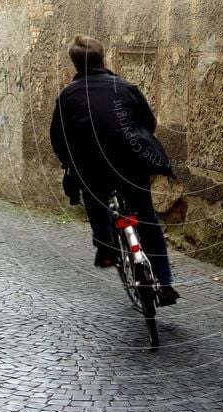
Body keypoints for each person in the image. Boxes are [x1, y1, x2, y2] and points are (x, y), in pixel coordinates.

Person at [50, 34, 179, 305]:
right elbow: (149, 123)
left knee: (95, 201)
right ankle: (165, 283)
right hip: (131, 164)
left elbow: (58, 139)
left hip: (92, 168)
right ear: (103, 58)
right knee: (147, 217)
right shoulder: (125, 87)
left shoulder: (67, 96)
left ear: (75, 65)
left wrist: (69, 162)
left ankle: (107, 247)